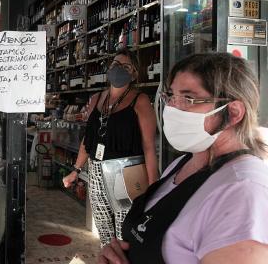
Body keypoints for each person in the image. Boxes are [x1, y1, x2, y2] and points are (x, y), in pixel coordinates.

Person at [99, 53, 268, 264]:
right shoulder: (184, 162)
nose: (171, 109)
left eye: (188, 99)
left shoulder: (244, 192)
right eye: (170, 97)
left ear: (233, 113)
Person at [63, 49, 159, 246]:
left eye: (125, 67)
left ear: (133, 74)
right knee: (104, 232)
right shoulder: (97, 98)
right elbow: (87, 140)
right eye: (115, 64)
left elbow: (149, 147)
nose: (118, 69)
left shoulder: (139, 101)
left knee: (125, 232)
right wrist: (76, 170)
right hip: (97, 171)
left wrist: (153, 188)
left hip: (127, 173)